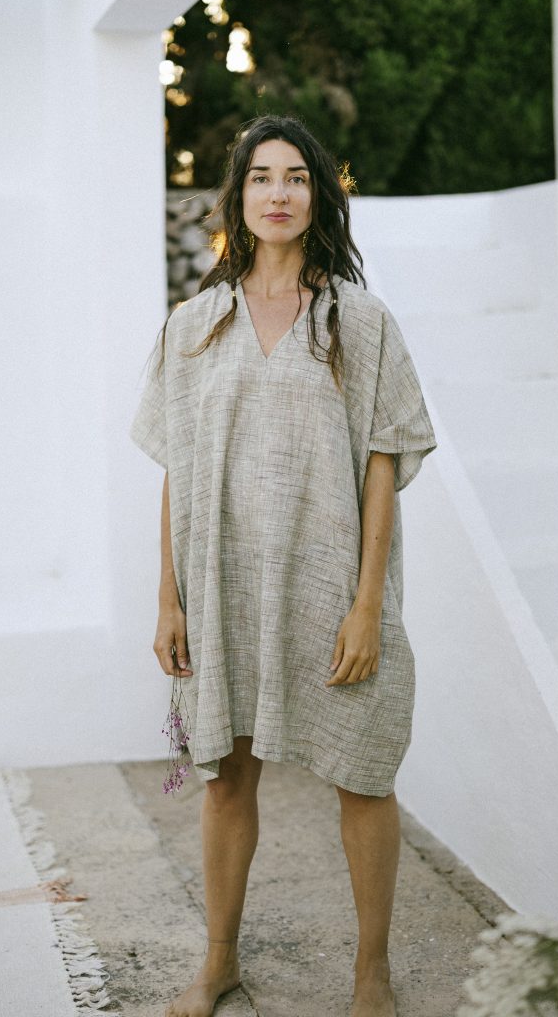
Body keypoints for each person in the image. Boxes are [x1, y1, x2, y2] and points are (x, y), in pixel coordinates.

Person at [130, 115, 437, 1017]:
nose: (278, 193)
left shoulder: (362, 322)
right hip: (223, 587)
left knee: (363, 773)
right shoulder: (194, 326)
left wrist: (367, 605)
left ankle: (372, 974)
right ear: (238, 197)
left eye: (296, 177)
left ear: (319, 196)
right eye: (261, 176)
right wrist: (169, 599)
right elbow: (178, 469)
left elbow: (383, 463)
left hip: (330, 587)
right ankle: (218, 962)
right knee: (226, 779)